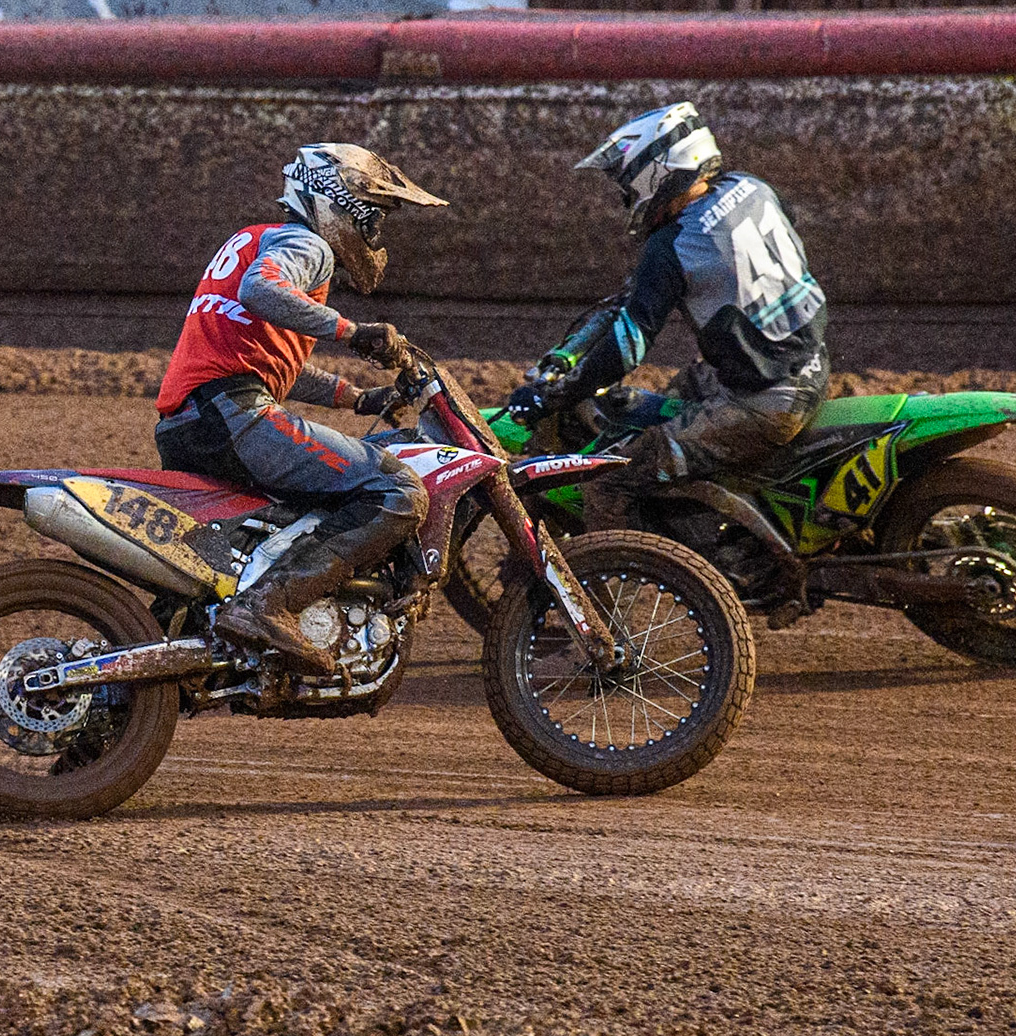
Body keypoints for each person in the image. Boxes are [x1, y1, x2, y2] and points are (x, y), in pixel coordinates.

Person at [154, 143, 447, 675]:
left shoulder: (257, 239)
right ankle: (269, 605)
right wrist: (353, 332)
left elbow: (270, 359)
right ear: (342, 199)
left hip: (199, 418)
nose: (376, 228)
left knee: (367, 459)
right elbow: (260, 289)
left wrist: (359, 398)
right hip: (233, 417)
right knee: (397, 489)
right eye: (374, 213)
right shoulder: (307, 245)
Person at [507, 102, 831, 532]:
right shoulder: (752, 187)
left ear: (656, 171)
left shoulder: (673, 244)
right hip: (808, 366)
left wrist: (558, 394)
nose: (626, 195)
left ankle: (604, 590)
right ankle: (714, 534)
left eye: (627, 182)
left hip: (762, 403)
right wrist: (565, 358)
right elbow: (627, 303)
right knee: (659, 402)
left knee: (608, 483)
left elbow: (628, 344)